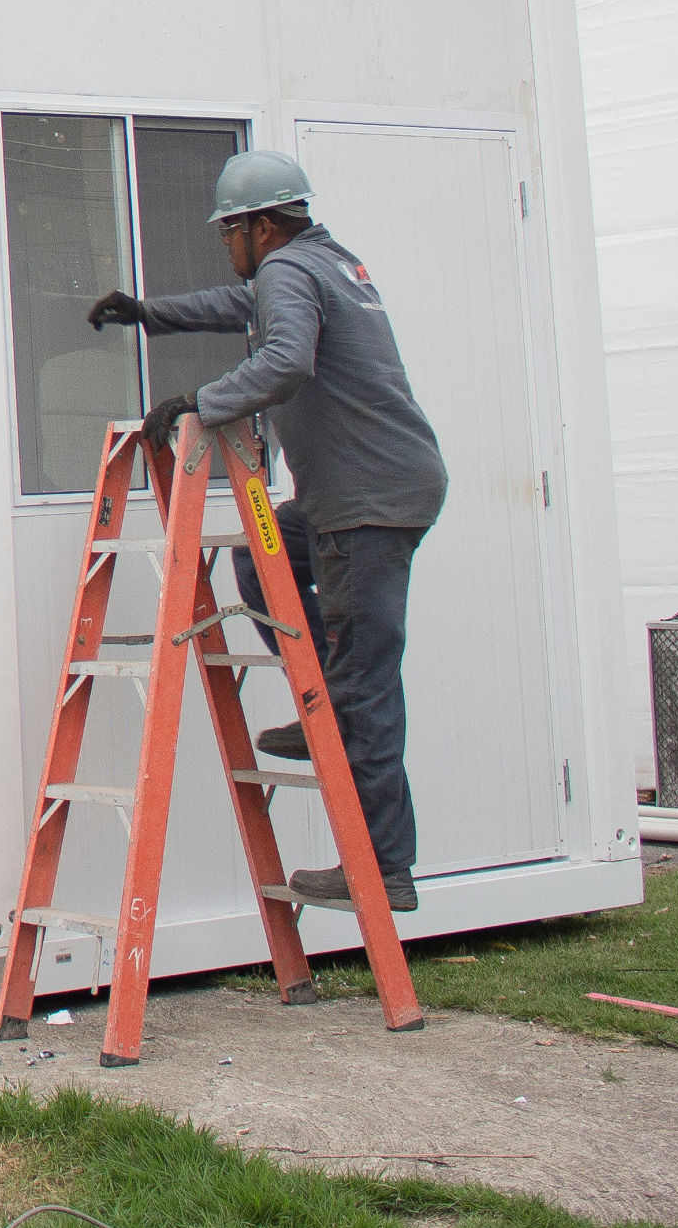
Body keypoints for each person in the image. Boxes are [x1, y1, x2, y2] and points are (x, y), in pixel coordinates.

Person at [90, 149, 446, 916]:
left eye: (228, 234)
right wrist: (150, 314)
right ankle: (322, 701)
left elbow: (284, 358)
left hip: (363, 502)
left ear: (258, 225)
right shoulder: (327, 263)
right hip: (369, 491)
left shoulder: (289, 272)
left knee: (368, 684)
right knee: (262, 560)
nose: (227, 246)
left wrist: (199, 400)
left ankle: (383, 867)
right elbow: (240, 306)